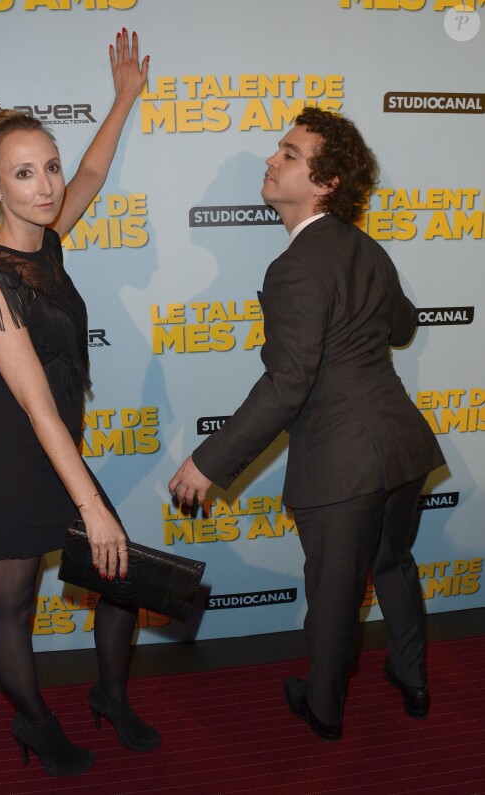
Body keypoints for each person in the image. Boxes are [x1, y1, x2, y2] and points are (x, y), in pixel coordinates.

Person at [168, 107, 445, 742]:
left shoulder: (292, 267)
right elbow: (402, 326)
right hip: (402, 448)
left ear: (324, 182)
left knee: (333, 594)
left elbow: (287, 384)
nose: (272, 161)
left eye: (289, 154)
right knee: (395, 564)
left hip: (343, 462)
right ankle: (414, 679)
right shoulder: (367, 249)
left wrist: (208, 462)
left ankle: (323, 708)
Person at [0, 30, 160, 777]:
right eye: (23, 174)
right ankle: (37, 724)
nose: (44, 186)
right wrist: (95, 506)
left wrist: (124, 98)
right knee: (12, 612)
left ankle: (109, 696)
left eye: (48, 167)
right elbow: (41, 410)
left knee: (120, 580)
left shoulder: (47, 242)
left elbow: (95, 174)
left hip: (54, 455)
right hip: (8, 465)